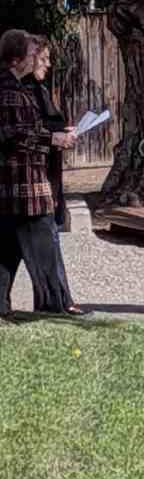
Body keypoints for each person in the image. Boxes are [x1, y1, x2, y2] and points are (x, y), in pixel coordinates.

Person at [0, 29, 77, 315]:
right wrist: (53, 139)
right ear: (16, 59)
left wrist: (56, 134)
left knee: (7, 251)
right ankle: (54, 307)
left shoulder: (18, 87)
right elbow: (13, 134)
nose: (36, 60)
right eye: (33, 54)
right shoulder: (8, 90)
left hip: (23, 184)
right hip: (23, 186)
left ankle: (3, 306)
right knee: (43, 248)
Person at [24, 35, 84, 314]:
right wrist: (55, 137)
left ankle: (59, 300)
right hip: (30, 179)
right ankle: (57, 302)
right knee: (44, 239)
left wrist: (62, 132)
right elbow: (22, 133)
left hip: (44, 173)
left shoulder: (39, 89)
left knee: (43, 239)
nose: (48, 64)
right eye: (44, 58)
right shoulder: (21, 91)